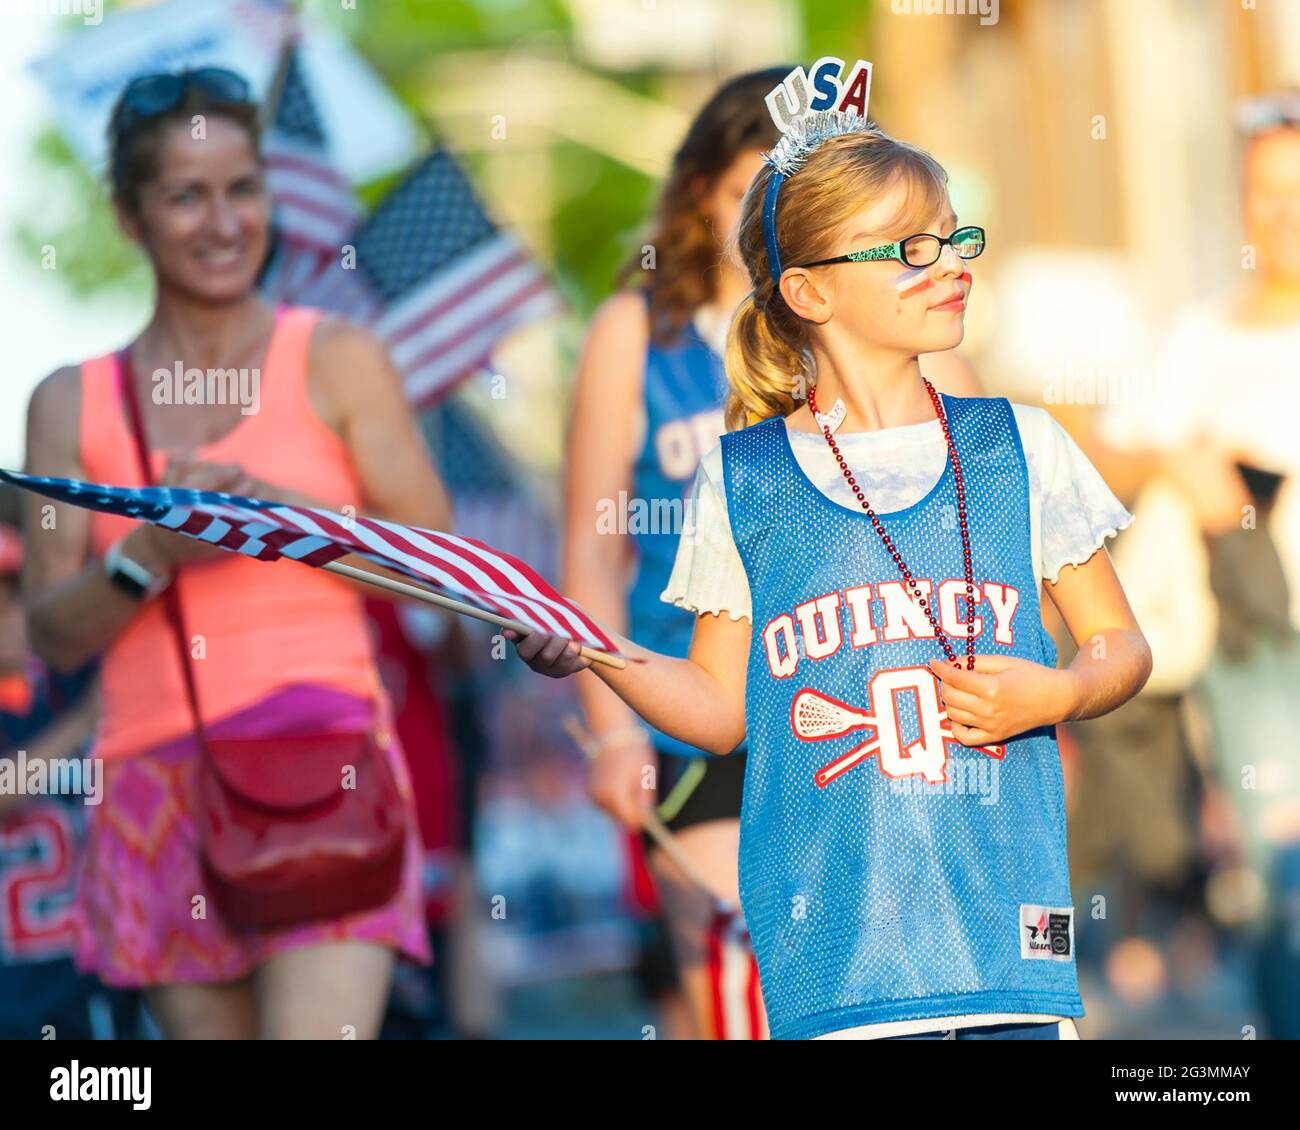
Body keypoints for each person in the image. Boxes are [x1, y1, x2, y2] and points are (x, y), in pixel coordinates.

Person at [509, 74, 1151, 1040]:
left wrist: (1059, 695)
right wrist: (599, 656)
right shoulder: (743, 479)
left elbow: (1119, 645)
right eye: (911, 250)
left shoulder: (1021, 443)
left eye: (954, 238)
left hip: (1007, 955)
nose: (951, 265)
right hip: (837, 976)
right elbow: (721, 711)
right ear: (809, 290)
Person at [21, 68, 452, 1039]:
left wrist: (289, 518)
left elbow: (441, 565)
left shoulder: (338, 357)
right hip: (150, 784)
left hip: (324, 761)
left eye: (242, 187)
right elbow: (49, 633)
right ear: (130, 217)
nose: (224, 222)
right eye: (186, 194)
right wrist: (152, 554)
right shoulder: (66, 400)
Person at [565, 68, 980, 1039]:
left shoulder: (857, 317)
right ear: (702, 190)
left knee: (890, 990)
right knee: (743, 988)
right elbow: (591, 548)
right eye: (754, 185)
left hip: (866, 702)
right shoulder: (638, 331)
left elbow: (980, 481)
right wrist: (612, 727)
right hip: (700, 712)